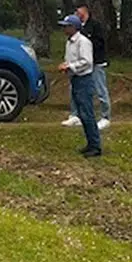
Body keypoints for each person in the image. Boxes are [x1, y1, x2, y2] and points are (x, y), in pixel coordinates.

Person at [61, 1, 111, 130]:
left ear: (85, 11)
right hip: (80, 66)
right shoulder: (77, 31)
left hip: (96, 62)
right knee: (75, 89)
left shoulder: (95, 26)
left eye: (78, 11)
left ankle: (105, 117)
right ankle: (76, 115)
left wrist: (87, 52)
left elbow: (99, 44)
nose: (76, 14)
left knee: (100, 90)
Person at [59, 13, 101, 158]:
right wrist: (67, 66)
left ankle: (95, 145)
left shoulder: (83, 42)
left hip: (84, 80)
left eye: (66, 26)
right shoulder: (69, 42)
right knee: (82, 114)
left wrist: (70, 66)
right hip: (76, 79)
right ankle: (90, 143)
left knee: (87, 113)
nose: (64, 29)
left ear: (73, 27)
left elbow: (87, 61)